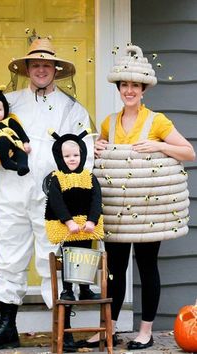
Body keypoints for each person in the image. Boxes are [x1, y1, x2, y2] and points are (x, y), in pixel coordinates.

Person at [0, 37, 94, 352]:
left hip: (52, 199)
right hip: (11, 193)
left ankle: (63, 329)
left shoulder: (73, 109)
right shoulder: (8, 103)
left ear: (56, 69)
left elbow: (86, 153)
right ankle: (6, 327)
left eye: (46, 64)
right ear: (27, 68)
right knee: (9, 258)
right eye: (35, 64)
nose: (41, 69)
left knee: (53, 259)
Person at [76, 44, 196, 350]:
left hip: (147, 211)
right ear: (119, 88)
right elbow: (97, 157)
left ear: (143, 89)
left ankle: (145, 331)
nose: (130, 91)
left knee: (146, 266)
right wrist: (97, 146)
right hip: (116, 208)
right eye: (125, 85)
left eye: (135, 86)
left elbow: (188, 152)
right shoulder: (108, 122)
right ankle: (110, 329)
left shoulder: (157, 122)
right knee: (115, 268)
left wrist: (160, 146)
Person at [44, 130, 103, 352]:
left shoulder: (89, 177)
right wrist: (68, 222)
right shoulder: (56, 179)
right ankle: (69, 288)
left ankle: (85, 288)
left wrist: (92, 220)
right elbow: (57, 202)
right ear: (60, 157)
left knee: (86, 256)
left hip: (86, 228)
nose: (72, 160)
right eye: (67, 156)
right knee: (70, 258)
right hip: (68, 230)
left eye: (76, 155)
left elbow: (96, 200)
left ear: (82, 155)